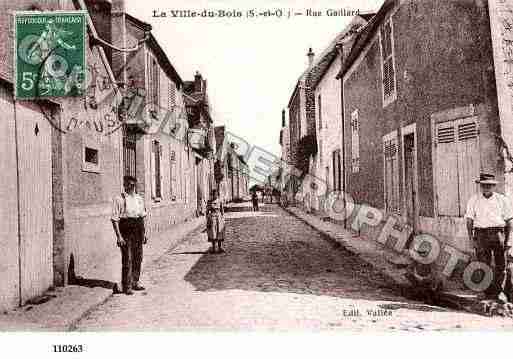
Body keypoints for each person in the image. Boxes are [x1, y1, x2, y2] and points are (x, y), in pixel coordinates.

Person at [465, 173, 513, 300]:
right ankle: (486, 292)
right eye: (484, 185)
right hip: (480, 234)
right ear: (480, 186)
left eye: (489, 186)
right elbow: (469, 221)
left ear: (494, 186)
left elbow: (509, 221)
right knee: (483, 264)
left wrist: (508, 240)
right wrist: (471, 239)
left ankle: (499, 293)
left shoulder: (502, 200)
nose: (487, 188)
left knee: (501, 264)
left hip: (498, 234)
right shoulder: (473, 200)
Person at [111, 175, 147, 295]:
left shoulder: (139, 199)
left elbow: (142, 216)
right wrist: (119, 236)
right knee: (127, 258)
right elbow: (115, 219)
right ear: (124, 185)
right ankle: (127, 285)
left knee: (138, 257)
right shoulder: (119, 199)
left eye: (133, 185)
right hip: (125, 228)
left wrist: (144, 233)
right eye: (129, 185)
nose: (131, 187)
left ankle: (135, 282)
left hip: (138, 228)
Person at [206, 189, 225, 253]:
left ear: (217, 194)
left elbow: (222, 211)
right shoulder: (209, 202)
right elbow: (207, 211)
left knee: (219, 232)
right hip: (212, 218)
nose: (215, 195)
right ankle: (213, 248)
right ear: (212, 195)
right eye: (214, 194)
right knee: (213, 233)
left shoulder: (220, 201)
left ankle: (220, 248)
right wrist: (208, 219)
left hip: (219, 218)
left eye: (216, 194)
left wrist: (223, 219)